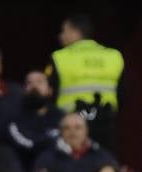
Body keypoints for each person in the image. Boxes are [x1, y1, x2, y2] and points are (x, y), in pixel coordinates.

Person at [46, 13, 123, 149]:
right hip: (105, 126)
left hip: (71, 128)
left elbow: (50, 94)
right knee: (105, 166)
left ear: (75, 32)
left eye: (64, 30)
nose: (60, 35)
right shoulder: (114, 56)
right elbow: (123, 92)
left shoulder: (60, 58)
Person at [33, 113, 117, 172]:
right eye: (67, 128)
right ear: (61, 131)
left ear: (86, 130)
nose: (72, 132)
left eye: (78, 127)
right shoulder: (47, 159)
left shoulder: (102, 157)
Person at [2, 71, 63, 171]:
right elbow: (24, 143)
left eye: (39, 82)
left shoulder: (61, 117)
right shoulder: (14, 119)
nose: (34, 86)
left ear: (50, 90)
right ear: (24, 90)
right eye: (29, 83)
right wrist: (48, 141)